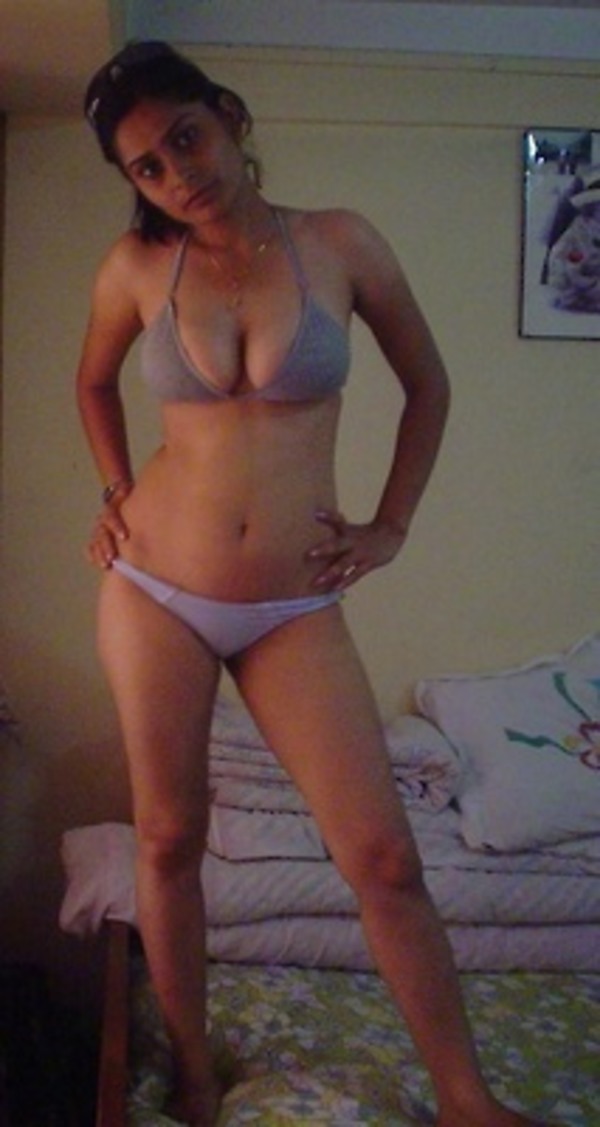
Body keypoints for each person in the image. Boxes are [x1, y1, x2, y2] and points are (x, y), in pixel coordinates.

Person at [77, 41, 548, 1127]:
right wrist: (114, 490)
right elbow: (92, 381)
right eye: (147, 166)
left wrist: (391, 526)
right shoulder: (136, 266)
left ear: (228, 117)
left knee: (381, 854)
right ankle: (194, 1068)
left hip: (291, 602)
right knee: (168, 835)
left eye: (187, 137)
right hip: (155, 588)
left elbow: (429, 382)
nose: (178, 173)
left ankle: (467, 1097)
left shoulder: (339, 242)